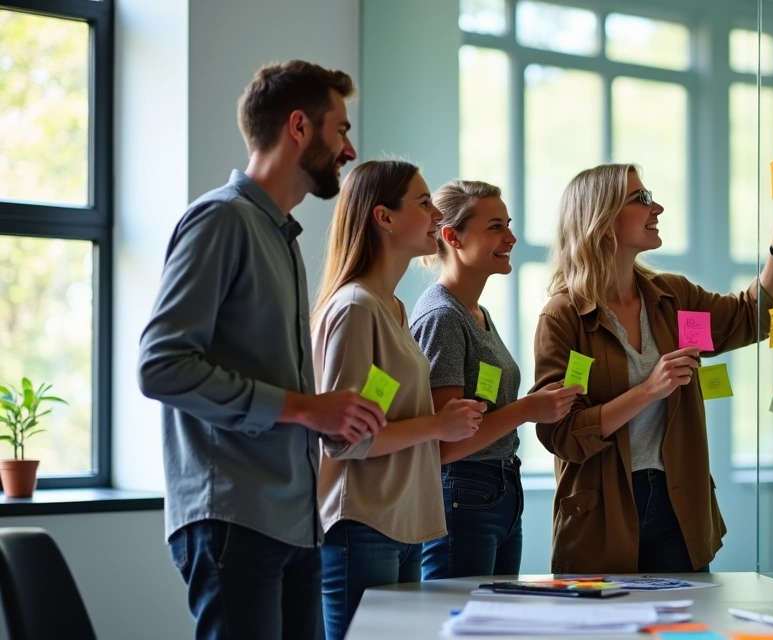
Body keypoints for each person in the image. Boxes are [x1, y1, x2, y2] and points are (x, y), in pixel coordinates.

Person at [138, 61, 377, 640]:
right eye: (340, 130)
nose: (348, 149)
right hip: (235, 519)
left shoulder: (284, 238)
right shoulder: (221, 219)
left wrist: (326, 419)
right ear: (299, 126)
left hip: (296, 525)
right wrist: (303, 409)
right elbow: (162, 366)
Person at [530, 163, 773, 574]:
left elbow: (751, 317)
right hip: (601, 515)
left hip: (677, 508)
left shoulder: (672, 297)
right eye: (640, 199)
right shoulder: (563, 315)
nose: (656, 207)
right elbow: (561, 432)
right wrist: (649, 389)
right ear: (603, 222)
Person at [310, 160, 487, 639]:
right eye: (424, 203)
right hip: (362, 524)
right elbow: (343, 441)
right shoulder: (355, 307)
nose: (437, 215)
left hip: (402, 525)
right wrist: (437, 425)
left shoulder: (391, 306)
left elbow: (378, 412)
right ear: (384, 217)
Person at [411, 180, 581, 579]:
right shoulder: (442, 318)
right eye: (495, 227)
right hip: (465, 491)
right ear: (452, 236)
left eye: (508, 224)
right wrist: (527, 410)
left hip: (500, 491)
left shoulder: (476, 311)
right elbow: (444, 445)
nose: (511, 237)